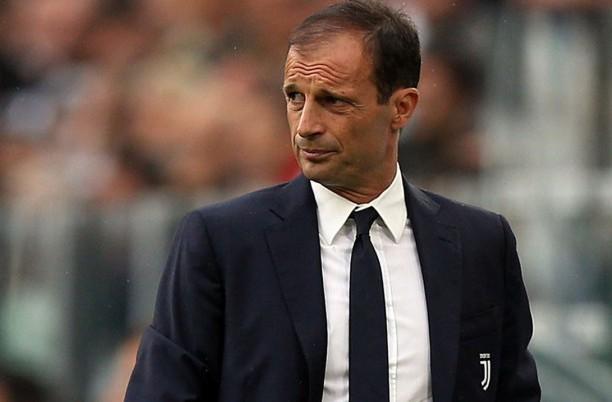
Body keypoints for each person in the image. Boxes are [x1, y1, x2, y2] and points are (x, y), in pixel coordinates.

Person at [125, 1, 541, 401]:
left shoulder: (480, 243)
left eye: (333, 101)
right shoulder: (223, 243)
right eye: (294, 97)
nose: (306, 126)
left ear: (401, 108)